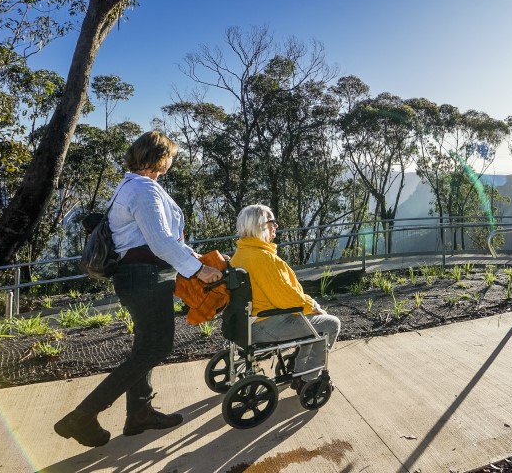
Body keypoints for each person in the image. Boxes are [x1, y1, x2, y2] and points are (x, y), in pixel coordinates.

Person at [54, 131, 224, 447]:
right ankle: (82, 416)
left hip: (141, 277)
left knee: (145, 346)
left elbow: (156, 238)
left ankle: (140, 413)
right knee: (155, 347)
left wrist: (191, 259)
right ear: (159, 157)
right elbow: (159, 242)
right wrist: (199, 270)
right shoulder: (144, 190)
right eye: (170, 156)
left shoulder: (132, 186)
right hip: (144, 277)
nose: (171, 162)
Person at [229, 205, 340, 389]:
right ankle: (308, 377)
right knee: (330, 324)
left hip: (245, 323)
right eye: (272, 222)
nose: (276, 226)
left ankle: (300, 367)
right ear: (260, 225)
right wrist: (312, 305)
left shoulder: (240, 254)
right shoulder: (265, 258)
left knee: (313, 321)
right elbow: (287, 299)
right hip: (265, 325)